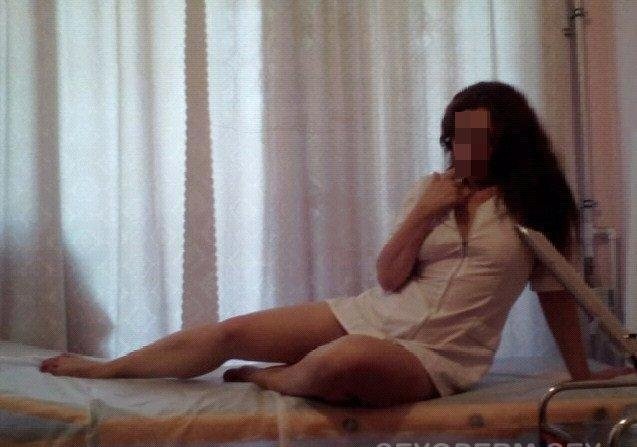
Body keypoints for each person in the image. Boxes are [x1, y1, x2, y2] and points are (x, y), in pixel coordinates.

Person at [39, 81, 632, 408]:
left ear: (510, 140)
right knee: (231, 332)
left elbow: (557, 296)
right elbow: (390, 276)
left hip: (439, 357)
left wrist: (580, 373)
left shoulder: (540, 208)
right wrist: (424, 213)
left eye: (478, 138)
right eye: (455, 137)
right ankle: (109, 368)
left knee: (346, 361)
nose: (463, 150)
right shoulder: (432, 190)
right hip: (372, 313)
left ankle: (271, 378)